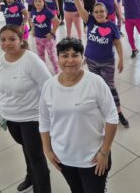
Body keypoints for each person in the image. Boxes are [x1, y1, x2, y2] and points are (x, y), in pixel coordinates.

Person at [39, 37, 118, 193]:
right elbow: (44, 119)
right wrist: (47, 149)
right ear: (58, 58)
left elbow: (112, 117)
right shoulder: (49, 85)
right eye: (64, 55)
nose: (70, 60)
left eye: (75, 55)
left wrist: (104, 151)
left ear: (83, 59)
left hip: (93, 157)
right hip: (64, 157)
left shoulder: (95, 82)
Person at [0, 26, 51, 193]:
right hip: (10, 118)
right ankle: (31, 177)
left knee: (36, 157)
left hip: (32, 118)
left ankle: (42, 188)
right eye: (3, 39)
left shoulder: (31, 61)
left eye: (12, 39)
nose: (7, 43)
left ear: (21, 40)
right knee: (26, 149)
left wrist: (51, 117)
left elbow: (49, 87)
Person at [70, 0, 129, 128]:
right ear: (93, 13)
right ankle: (100, 111)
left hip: (107, 61)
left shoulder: (111, 26)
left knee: (110, 87)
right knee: (96, 86)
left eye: (101, 11)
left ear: (106, 13)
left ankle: (119, 112)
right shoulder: (90, 21)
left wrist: (121, 59)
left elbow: (117, 43)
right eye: (96, 12)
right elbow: (79, 6)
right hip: (91, 60)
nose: (98, 13)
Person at [29, 0, 60, 74]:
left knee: (52, 57)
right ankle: (44, 71)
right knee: (40, 56)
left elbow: (57, 21)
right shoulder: (33, 11)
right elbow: (32, 21)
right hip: (38, 38)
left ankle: (57, 72)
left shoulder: (47, 11)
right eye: (36, 1)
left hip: (48, 39)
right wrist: (33, 29)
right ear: (33, 3)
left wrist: (52, 33)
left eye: (40, 1)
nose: (37, 3)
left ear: (43, 2)